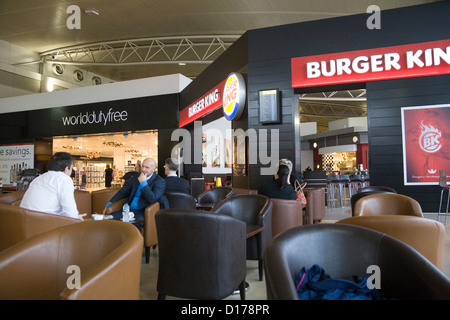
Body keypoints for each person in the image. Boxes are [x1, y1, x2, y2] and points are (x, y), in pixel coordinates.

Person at [20, 152, 86, 220]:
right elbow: (71, 214)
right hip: (42, 223)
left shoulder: (38, 178)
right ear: (66, 169)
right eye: (71, 168)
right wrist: (77, 217)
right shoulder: (64, 179)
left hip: (24, 222)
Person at [102, 158, 169, 221]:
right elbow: (123, 192)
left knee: (132, 223)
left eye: (147, 167)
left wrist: (143, 183)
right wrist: (109, 204)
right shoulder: (136, 177)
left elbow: (152, 199)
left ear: (154, 169)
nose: (143, 169)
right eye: (143, 166)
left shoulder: (159, 181)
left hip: (143, 212)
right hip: (128, 210)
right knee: (108, 218)